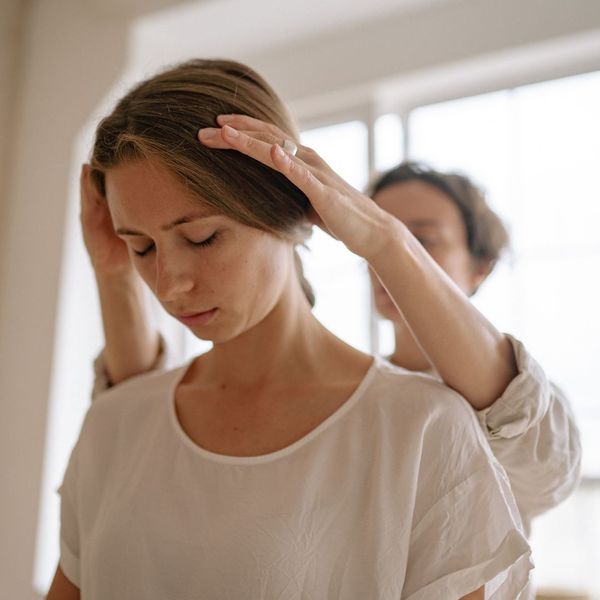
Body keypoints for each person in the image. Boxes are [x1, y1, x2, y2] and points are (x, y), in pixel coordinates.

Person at [47, 59, 532, 599]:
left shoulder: (420, 430)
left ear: (289, 211)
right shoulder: (114, 422)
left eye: (203, 237)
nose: (169, 284)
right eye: (141, 246)